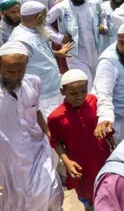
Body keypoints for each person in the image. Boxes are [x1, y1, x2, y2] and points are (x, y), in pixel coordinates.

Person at [0, 41, 64, 211]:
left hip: (37, 149)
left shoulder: (34, 82)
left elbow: (35, 112)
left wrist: (51, 134)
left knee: (50, 191)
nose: (14, 75)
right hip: (7, 158)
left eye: (20, 70)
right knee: (15, 201)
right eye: (8, 71)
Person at [47, 69, 115, 210]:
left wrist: (114, 147)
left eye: (83, 91)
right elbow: (56, 142)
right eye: (73, 93)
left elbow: (105, 127)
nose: (79, 97)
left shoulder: (93, 101)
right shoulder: (55, 117)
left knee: (108, 191)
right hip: (79, 166)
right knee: (87, 197)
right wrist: (66, 161)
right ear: (62, 92)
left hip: (102, 158)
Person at [9, 1, 73, 118]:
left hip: (53, 89)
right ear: (39, 17)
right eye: (45, 16)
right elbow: (13, 67)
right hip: (43, 96)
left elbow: (36, 53)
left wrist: (56, 53)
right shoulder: (21, 39)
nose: (46, 20)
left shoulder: (35, 31)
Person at [47, 0, 108, 89]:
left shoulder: (95, 3)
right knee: (85, 83)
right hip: (74, 53)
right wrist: (59, 38)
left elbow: (102, 16)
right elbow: (43, 24)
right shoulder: (61, 7)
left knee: (98, 83)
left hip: (95, 50)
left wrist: (103, 26)